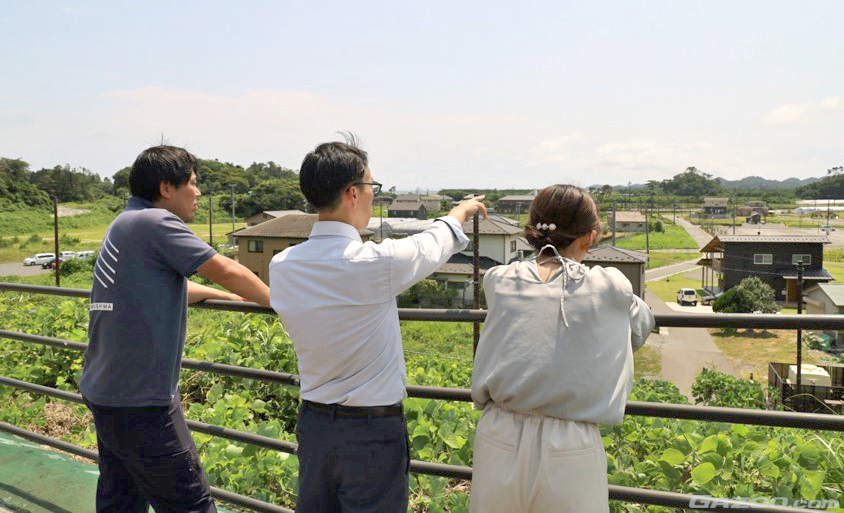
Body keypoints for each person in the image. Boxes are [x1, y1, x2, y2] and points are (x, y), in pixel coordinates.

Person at [269, 135, 487, 512]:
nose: (374, 195)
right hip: (372, 431)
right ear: (353, 193)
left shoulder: (283, 265)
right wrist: (461, 212)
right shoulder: (374, 264)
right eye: (372, 186)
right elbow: (431, 245)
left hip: (315, 424)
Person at [79, 145, 271, 513]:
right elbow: (228, 270)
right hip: (143, 403)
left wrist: (231, 300)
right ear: (167, 188)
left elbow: (170, 285)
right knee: (191, 505)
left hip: (106, 392)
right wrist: (277, 300)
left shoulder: (125, 222)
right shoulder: (157, 222)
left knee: (121, 500)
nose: (198, 193)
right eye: (193, 184)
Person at [470, 184, 654, 513]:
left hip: (497, 433)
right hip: (570, 443)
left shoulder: (498, 279)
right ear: (590, 236)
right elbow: (640, 327)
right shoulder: (609, 285)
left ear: (532, 231)